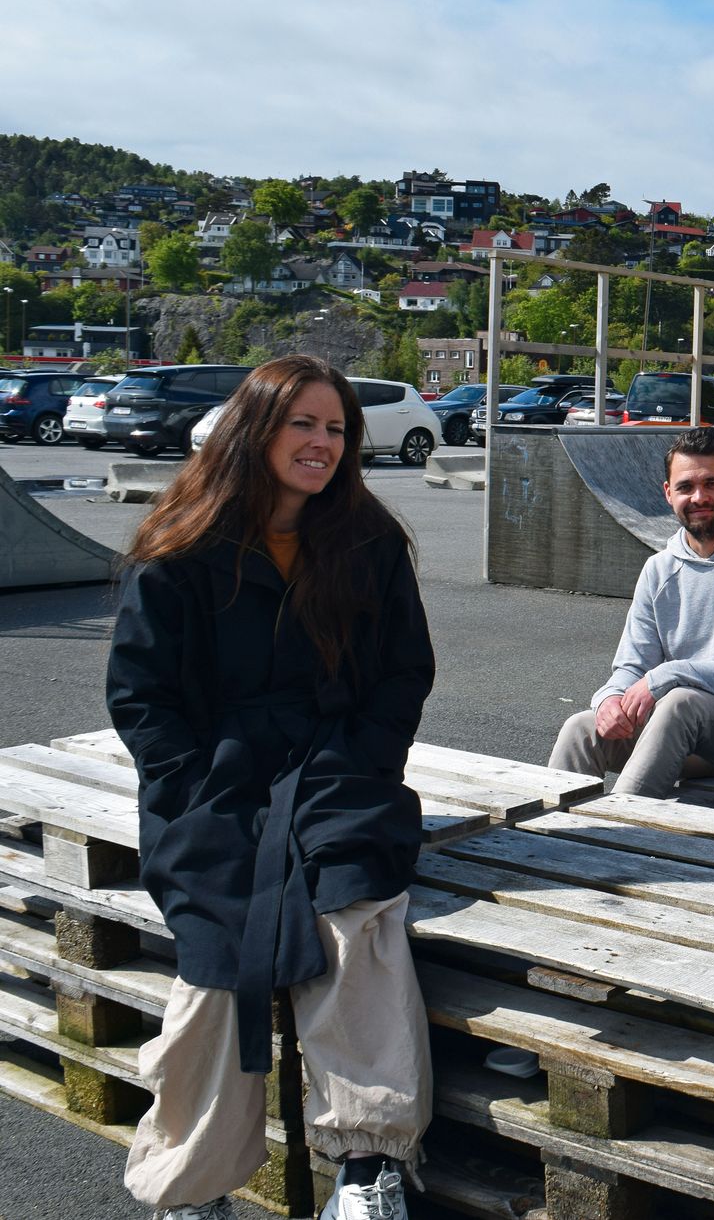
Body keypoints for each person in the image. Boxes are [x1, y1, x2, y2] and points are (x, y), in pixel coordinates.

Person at [106, 356, 434, 1220]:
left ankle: (368, 1165)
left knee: (354, 905)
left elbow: (403, 673)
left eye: (336, 429)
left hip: (336, 768)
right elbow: (141, 694)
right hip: (213, 779)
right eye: (304, 424)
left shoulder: (368, 542)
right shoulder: (178, 548)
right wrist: (183, 789)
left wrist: (365, 760)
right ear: (258, 427)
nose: (323, 443)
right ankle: (192, 1181)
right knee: (218, 937)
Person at [547, 426, 714, 796]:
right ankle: (548, 838)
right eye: (686, 487)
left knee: (679, 702)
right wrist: (609, 699)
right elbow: (632, 665)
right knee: (582, 728)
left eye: (712, 484)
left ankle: (622, 833)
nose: (699, 497)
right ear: (667, 493)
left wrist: (669, 675)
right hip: (673, 733)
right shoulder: (659, 569)